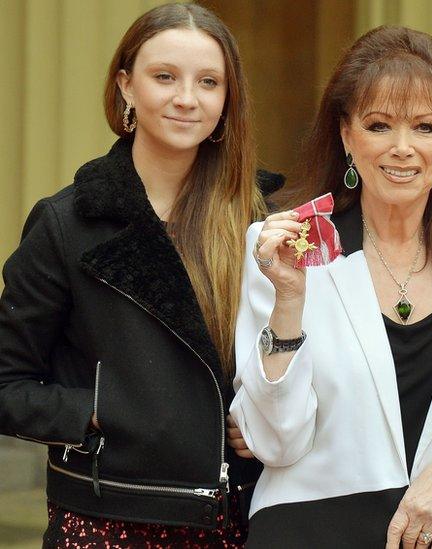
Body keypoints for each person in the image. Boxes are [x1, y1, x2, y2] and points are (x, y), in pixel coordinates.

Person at [229, 25, 432, 549]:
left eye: (424, 127)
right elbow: (273, 442)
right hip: (308, 534)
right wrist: (289, 301)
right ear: (345, 134)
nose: (402, 149)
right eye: (379, 125)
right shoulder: (286, 251)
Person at [0, 3, 275, 546]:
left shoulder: (261, 217)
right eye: (164, 77)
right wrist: (102, 412)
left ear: (228, 98)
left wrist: (268, 414)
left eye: (209, 82)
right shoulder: (68, 222)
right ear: (126, 86)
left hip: (239, 518)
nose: (186, 98)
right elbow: (7, 383)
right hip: (105, 520)